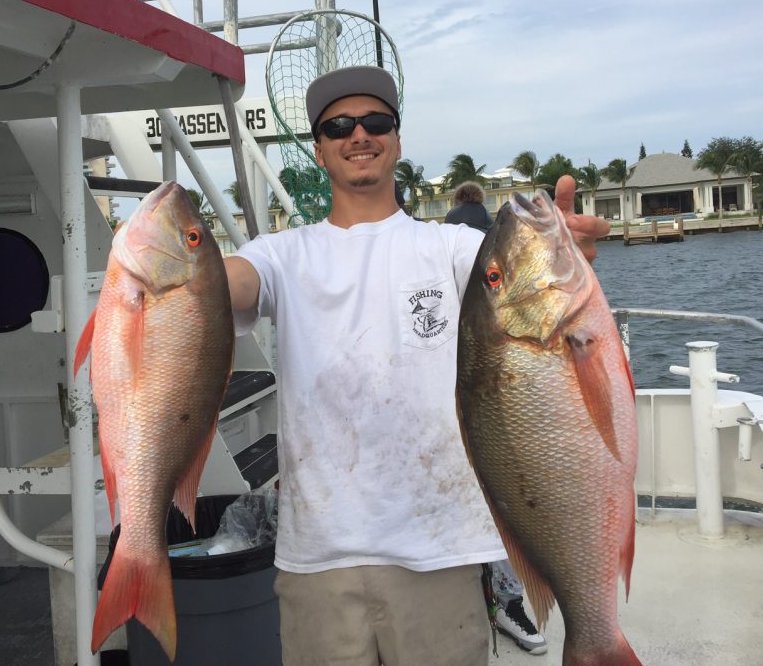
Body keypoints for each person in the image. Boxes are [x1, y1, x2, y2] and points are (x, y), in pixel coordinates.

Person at [223, 65, 608, 666]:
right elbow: (234, 287)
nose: (359, 135)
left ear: (396, 141)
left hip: (441, 552)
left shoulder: (453, 249)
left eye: (376, 122)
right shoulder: (281, 253)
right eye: (339, 125)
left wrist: (568, 257)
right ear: (320, 148)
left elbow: (519, 283)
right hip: (318, 559)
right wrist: (176, 271)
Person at [442, 187, 546, 655]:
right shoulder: (476, 233)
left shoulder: (460, 241)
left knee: (497, 508)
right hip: (471, 402)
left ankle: (506, 598)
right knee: (499, 507)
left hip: (486, 397)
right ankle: (508, 599)